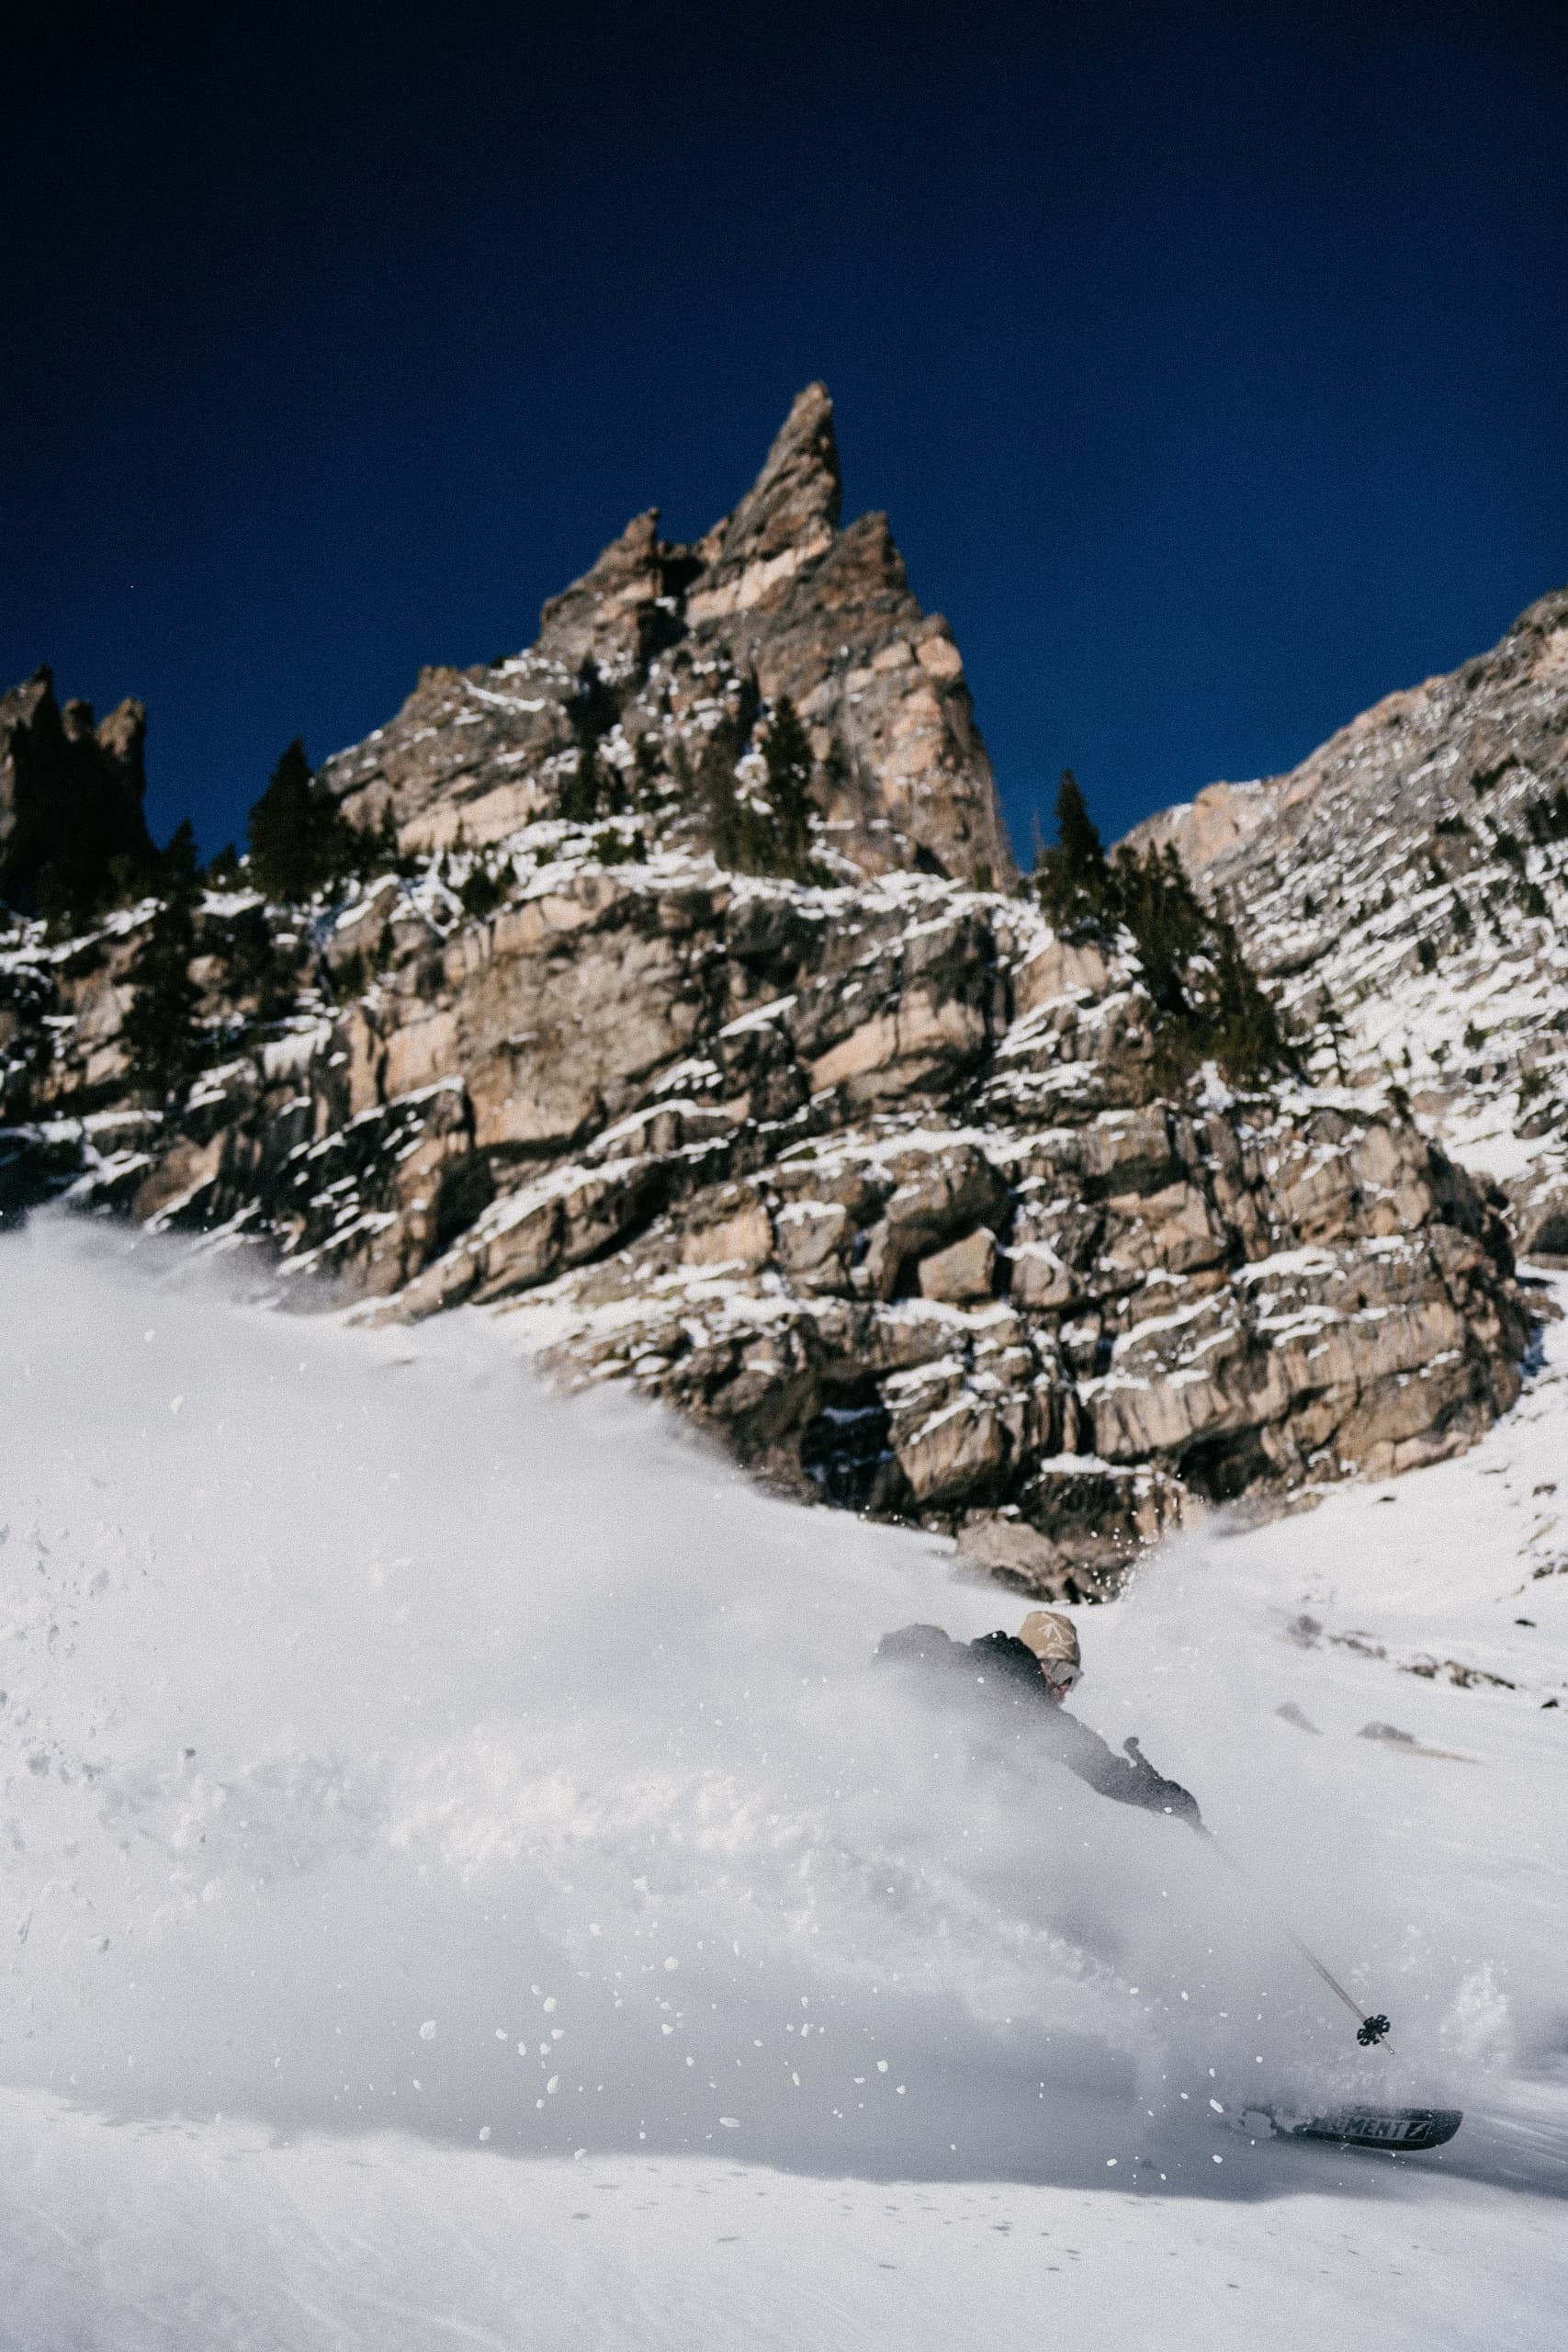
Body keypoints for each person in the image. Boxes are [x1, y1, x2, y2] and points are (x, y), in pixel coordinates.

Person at [876, 1607, 1202, 1827]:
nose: (1065, 1688)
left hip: (907, 1803)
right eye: (1062, 1671)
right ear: (1038, 1661)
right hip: (941, 1819)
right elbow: (1103, 1771)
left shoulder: (976, 1664)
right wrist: (1166, 1797)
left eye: (1073, 1677)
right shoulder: (1023, 1698)